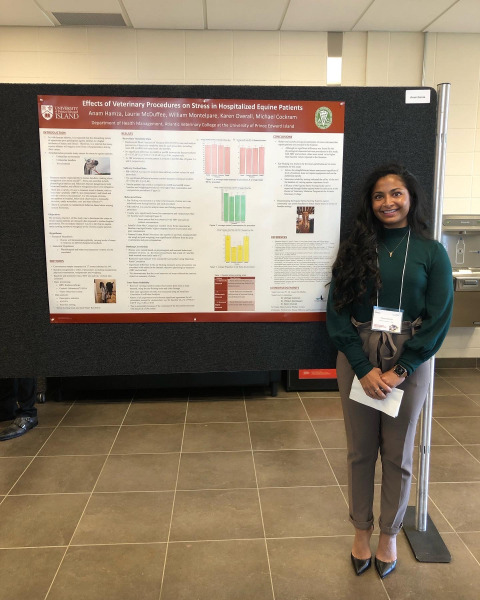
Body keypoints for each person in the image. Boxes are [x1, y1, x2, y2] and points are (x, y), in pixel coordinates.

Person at [326, 163, 453, 579]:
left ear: (410, 198)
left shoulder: (431, 251)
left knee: (398, 455)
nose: (388, 203)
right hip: (358, 357)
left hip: (409, 358)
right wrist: (363, 368)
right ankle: (361, 532)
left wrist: (401, 369)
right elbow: (337, 313)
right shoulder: (354, 248)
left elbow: (438, 318)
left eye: (396, 193)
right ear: (370, 203)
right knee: (360, 452)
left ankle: (389, 535)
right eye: (379, 196)